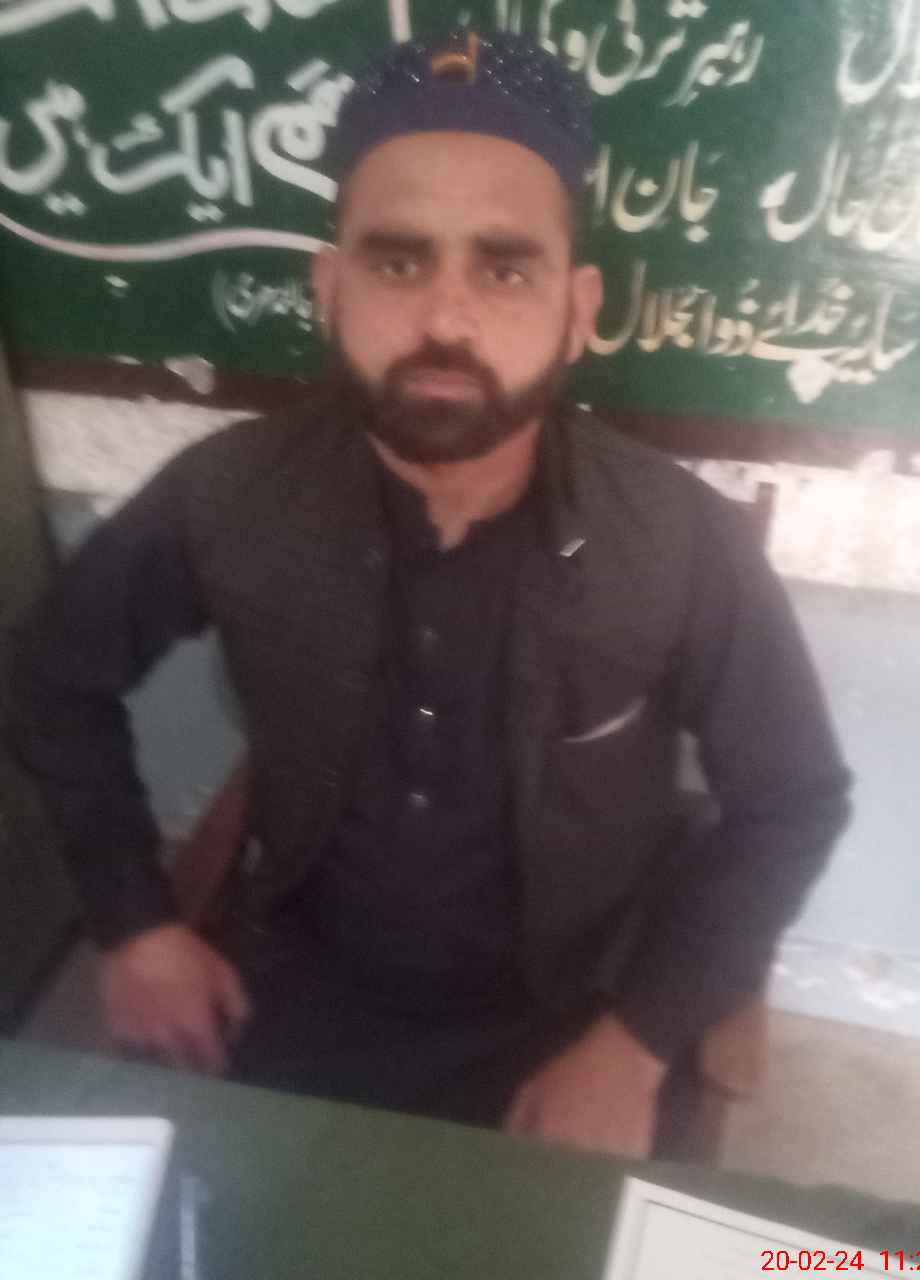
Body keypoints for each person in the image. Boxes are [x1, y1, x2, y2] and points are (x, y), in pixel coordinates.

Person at [6, 28, 851, 1160]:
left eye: (504, 268)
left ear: (578, 307)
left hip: (576, 1014)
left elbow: (792, 799)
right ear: (330, 287)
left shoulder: (681, 543)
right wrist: (135, 923)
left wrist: (639, 1043)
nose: (447, 319)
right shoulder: (231, 494)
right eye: (399, 263)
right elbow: (51, 678)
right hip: (300, 993)